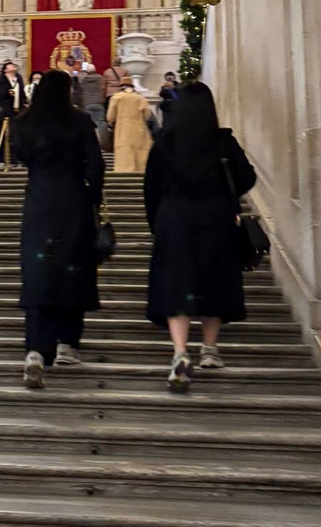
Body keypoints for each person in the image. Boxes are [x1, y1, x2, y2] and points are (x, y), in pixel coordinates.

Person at [143, 82, 257, 392]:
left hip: (174, 218)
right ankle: (209, 349)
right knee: (214, 279)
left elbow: (150, 186)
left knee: (176, 283)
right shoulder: (223, 141)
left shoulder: (165, 141)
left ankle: (180, 351)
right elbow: (247, 177)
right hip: (216, 217)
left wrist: (157, 221)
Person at [11, 70, 105, 389]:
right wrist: (93, 197)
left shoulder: (24, 122)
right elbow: (96, 163)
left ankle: (36, 349)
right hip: (73, 200)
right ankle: (67, 343)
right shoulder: (80, 120)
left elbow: (22, 157)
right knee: (73, 267)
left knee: (38, 270)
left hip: (39, 201)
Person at [106, 77, 155, 173]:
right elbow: (147, 114)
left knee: (124, 150)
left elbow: (110, 116)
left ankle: (124, 170)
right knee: (139, 150)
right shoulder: (140, 98)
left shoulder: (116, 97)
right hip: (139, 127)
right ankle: (139, 169)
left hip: (122, 128)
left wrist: (110, 122)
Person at [76, 63, 107, 135]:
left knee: (88, 123)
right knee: (101, 122)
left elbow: (81, 91)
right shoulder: (100, 78)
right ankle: (102, 139)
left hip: (87, 103)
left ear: (87, 71)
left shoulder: (83, 80)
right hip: (99, 102)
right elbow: (103, 88)